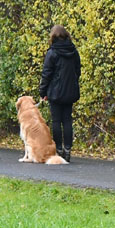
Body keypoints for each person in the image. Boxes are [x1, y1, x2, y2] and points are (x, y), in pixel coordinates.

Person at [39, 24, 81, 163]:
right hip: (70, 91)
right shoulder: (73, 51)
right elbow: (77, 71)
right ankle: (68, 149)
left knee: (56, 121)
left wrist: (43, 91)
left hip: (55, 93)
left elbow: (47, 74)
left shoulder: (52, 53)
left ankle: (59, 149)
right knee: (67, 120)